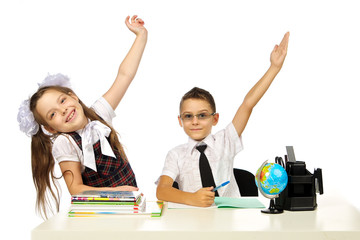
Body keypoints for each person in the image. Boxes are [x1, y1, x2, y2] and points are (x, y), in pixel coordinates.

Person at [17, 15, 147, 218]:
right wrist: (116, 194)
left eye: (62, 101)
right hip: (99, 213)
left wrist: (141, 36)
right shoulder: (64, 141)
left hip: (129, 206)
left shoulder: (99, 113)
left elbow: (124, 76)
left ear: (73, 96)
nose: (63, 111)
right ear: (51, 128)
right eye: (53, 114)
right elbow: (75, 188)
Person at [156, 32, 290, 207]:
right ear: (180, 121)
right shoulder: (176, 154)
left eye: (202, 115)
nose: (195, 121)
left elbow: (247, 104)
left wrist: (274, 68)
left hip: (229, 220)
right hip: (193, 220)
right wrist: (193, 198)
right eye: (188, 116)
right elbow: (162, 191)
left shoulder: (225, 140)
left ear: (215, 118)